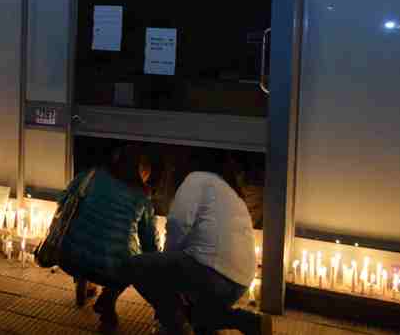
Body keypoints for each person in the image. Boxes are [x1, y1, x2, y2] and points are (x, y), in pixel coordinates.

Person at [122, 148, 272, 335]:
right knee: (199, 319)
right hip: (239, 282)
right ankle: (248, 322)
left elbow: (178, 223)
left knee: (133, 266)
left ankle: (175, 323)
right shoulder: (230, 190)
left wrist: (166, 260)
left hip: (211, 274)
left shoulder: (196, 179)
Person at [59, 144, 160, 329]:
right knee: (131, 262)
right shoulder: (141, 197)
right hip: (109, 269)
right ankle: (108, 304)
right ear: (142, 172)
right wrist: (158, 263)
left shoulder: (90, 176)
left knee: (91, 237)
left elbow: (64, 198)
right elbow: (149, 244)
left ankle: (83, 283)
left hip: (69, 255)